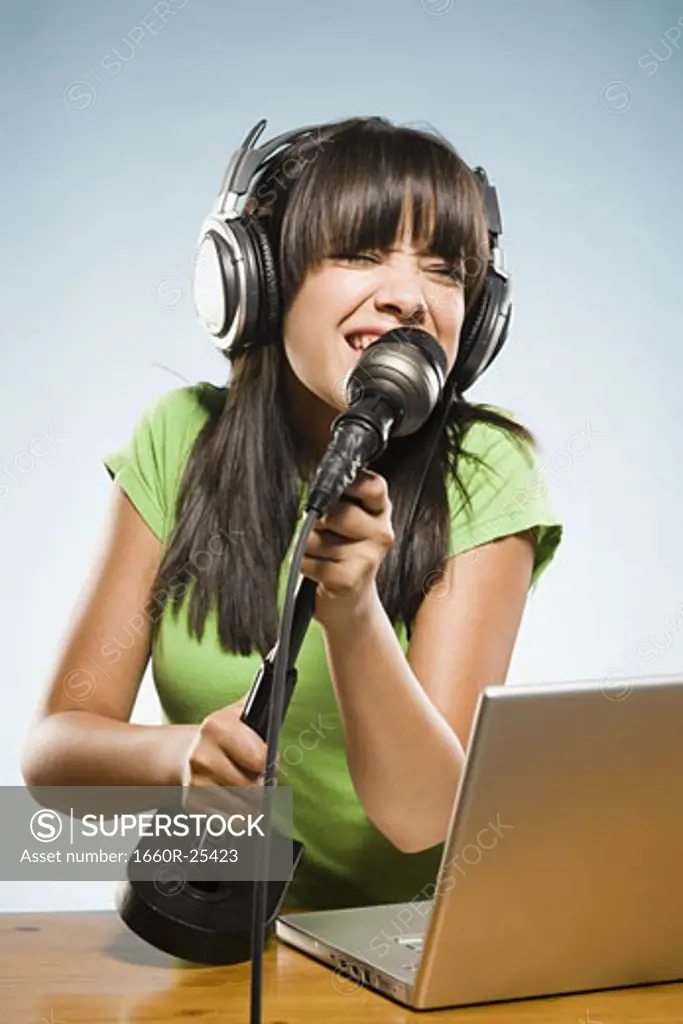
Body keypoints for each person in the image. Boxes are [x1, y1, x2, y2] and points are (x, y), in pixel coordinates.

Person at [21, 115, 563, 912]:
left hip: (411, 951)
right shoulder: (179, 437)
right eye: (359, 252)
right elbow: (54, 757)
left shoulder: (483, 469)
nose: (408, 296)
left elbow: (423, 819)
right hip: (222, 941)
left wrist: (351, 611)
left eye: (446, 270)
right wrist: (183, 757)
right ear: (256, 282)